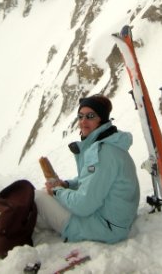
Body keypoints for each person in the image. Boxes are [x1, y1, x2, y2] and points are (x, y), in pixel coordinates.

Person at [34, 94, 140, 244]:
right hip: (114, 221)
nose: (83, 121)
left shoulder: (102, 153)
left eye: (90, 116)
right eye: (80, 116)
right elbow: (92, 179)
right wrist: (67, 185)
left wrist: (57, 191)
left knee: (38, 197)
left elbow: (84, 205)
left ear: (101, 120)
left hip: (105, 228)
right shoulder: (108, 145)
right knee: (47, 200)